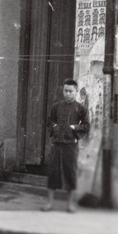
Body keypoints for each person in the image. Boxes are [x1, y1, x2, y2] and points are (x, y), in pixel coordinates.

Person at [42, 78, 90, 213]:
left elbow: (86, 126)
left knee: (70, 172)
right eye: (65, 91)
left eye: (70, 91)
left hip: (71, 145)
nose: (67, 94)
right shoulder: (56, 107)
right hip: (57, 144)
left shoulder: (81, 109)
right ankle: (49, 203)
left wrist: (74, 127)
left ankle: (70, 205)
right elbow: (49, 121)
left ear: (75, 92)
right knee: (53, 172)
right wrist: (55, 126)